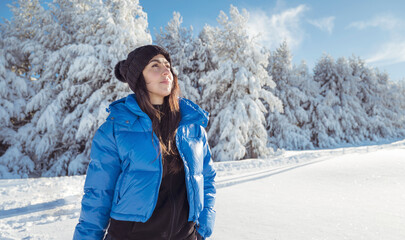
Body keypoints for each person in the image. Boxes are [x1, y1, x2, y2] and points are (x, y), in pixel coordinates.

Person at [73, 45, 216, 240]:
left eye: (168, 66)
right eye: (155, 66)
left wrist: (203, 227)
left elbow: (206, 178)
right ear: (139, 78)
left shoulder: (191, 126)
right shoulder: (115, 129)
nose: (166, 71)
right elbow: (98, 193)